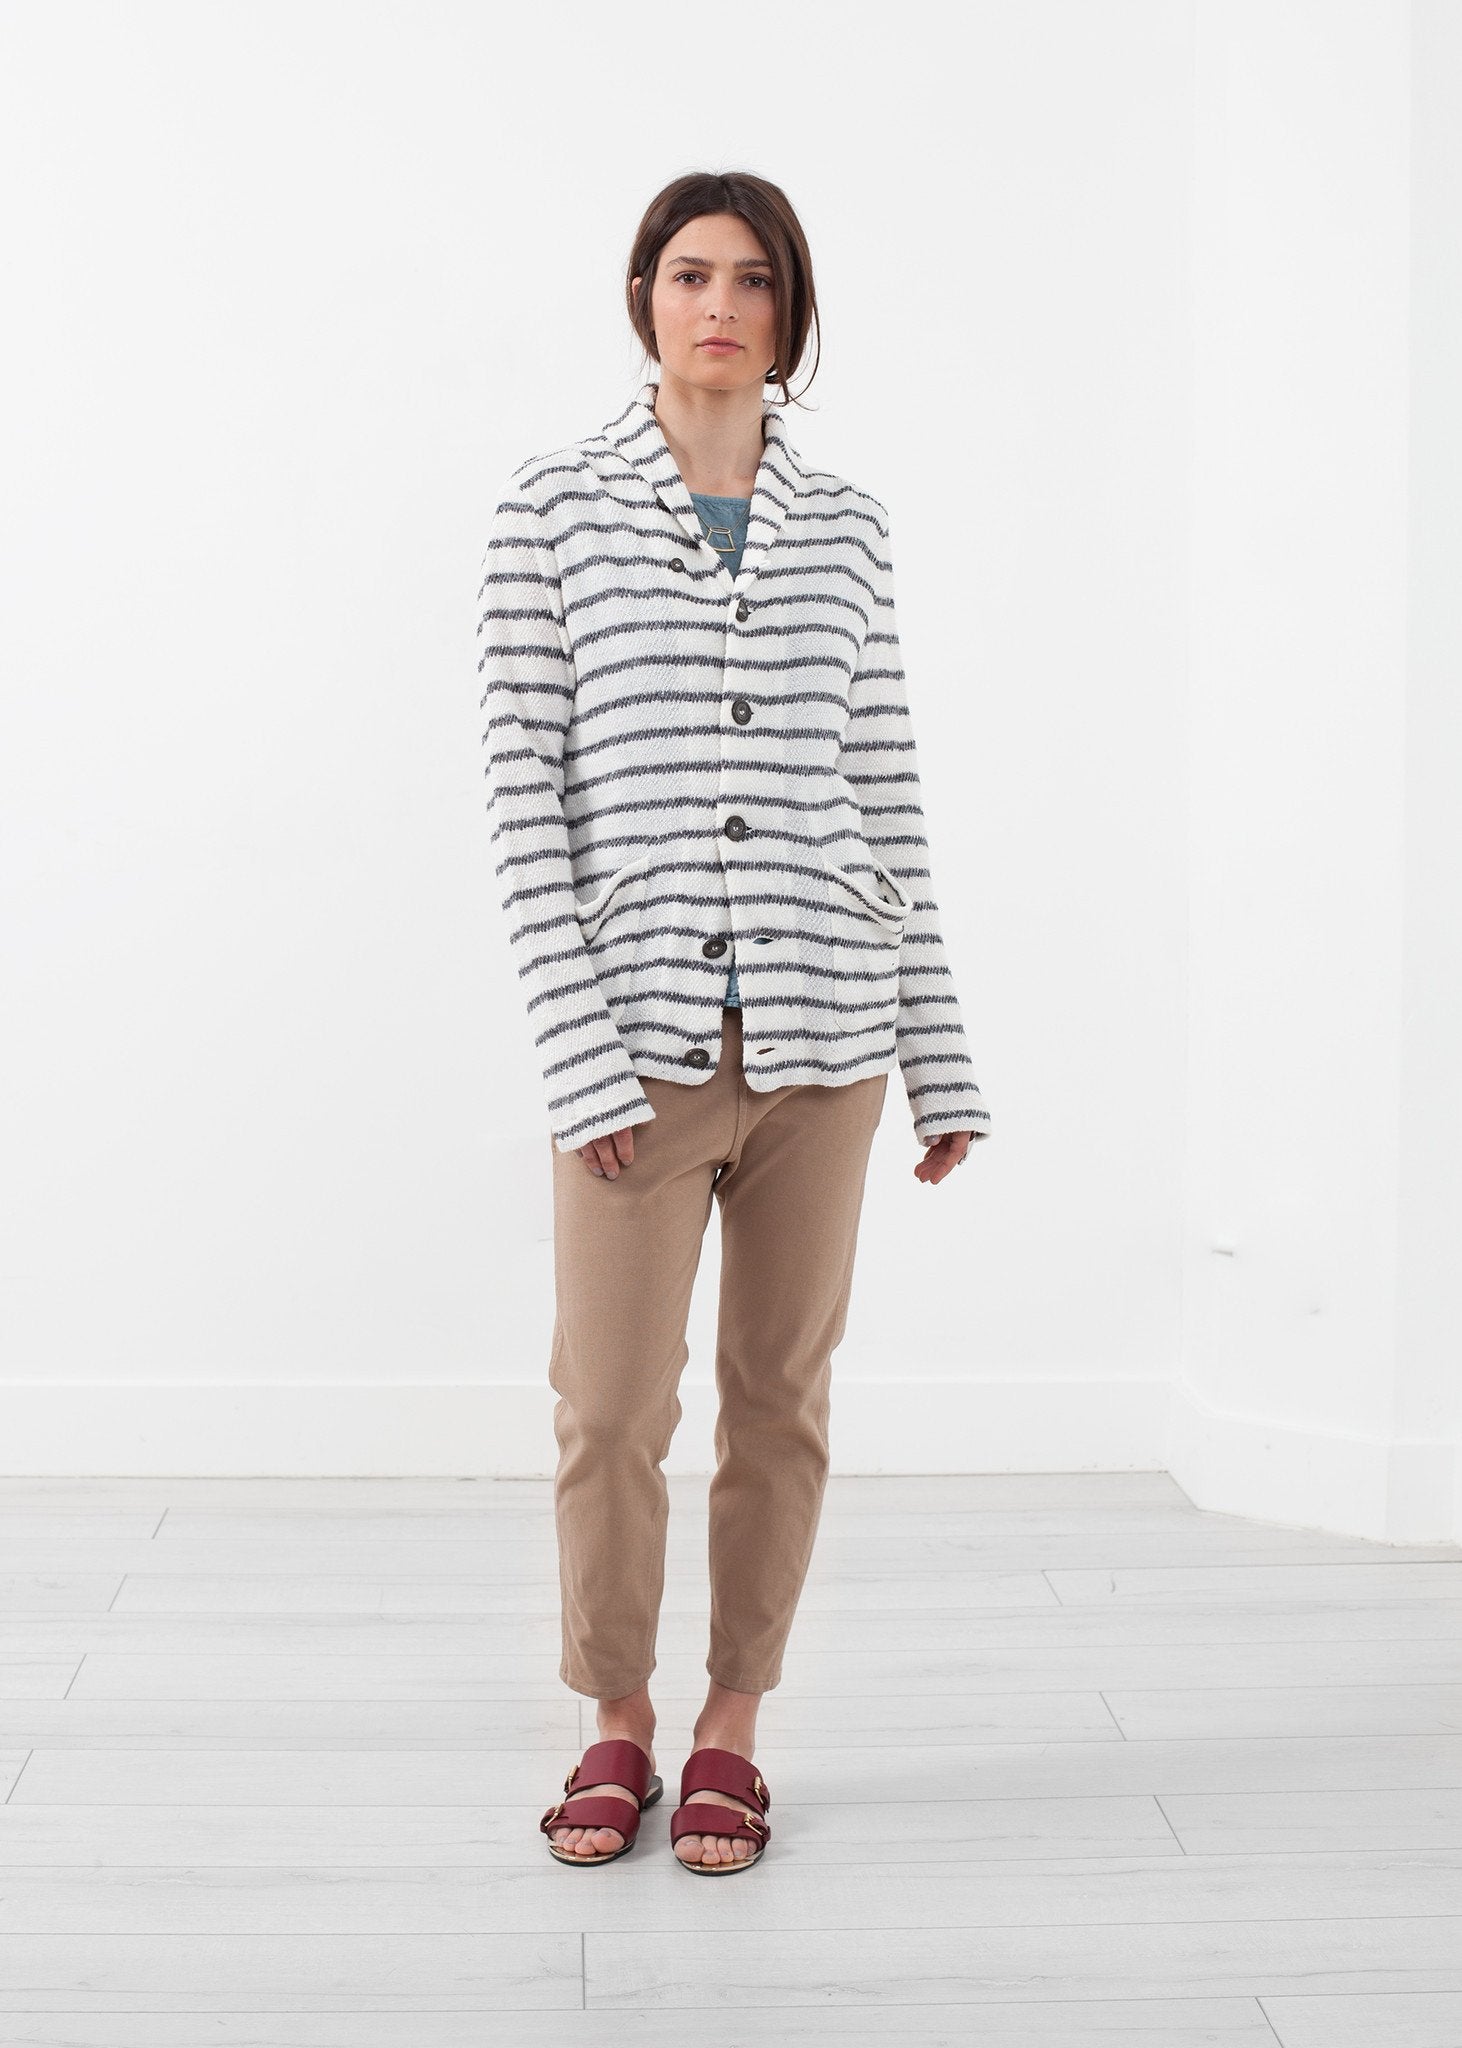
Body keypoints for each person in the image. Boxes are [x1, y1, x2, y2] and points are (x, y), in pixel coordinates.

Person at [473, 170, 992, 1874]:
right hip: (630, 1046)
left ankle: (730, 1727)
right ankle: (613, 1718)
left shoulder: (847, 526)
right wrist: (576, 1056)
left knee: (780, 1400)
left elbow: (885, 794)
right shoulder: (551, 506)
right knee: (611, 1407)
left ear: (788, 314)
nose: (719, 304)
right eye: (689, 273)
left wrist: (939, 1054)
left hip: (827, 1040)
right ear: (643, 296)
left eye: (753, 280)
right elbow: (523, 803)